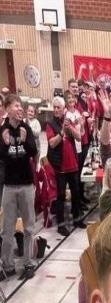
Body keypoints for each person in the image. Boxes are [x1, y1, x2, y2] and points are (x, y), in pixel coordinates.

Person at [0, 94, 38, 281]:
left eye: (20, 106)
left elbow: (33, 151)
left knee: (29, 227)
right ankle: (7, 265)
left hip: (26, 184)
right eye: (16, 106)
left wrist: (23, 140)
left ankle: (28, 263)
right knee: (7, 229)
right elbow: (1, 156)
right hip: (9, 185)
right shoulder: (3, 130)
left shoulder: (26, 128)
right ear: (7, 108)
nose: (20, 109)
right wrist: (6, 143)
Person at [45, 96, 86, 236]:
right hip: (60, 166)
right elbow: (52, 143)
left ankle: (77, 219)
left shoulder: (68, 120)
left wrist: (70, 128)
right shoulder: (50, 124)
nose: (56, 110)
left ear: (64, 110)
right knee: (61, 195)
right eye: (54, 107)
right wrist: (62, 131)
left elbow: (79, 137)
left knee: (76, 193)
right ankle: (61, 225)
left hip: (73, 163)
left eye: (59, 107)